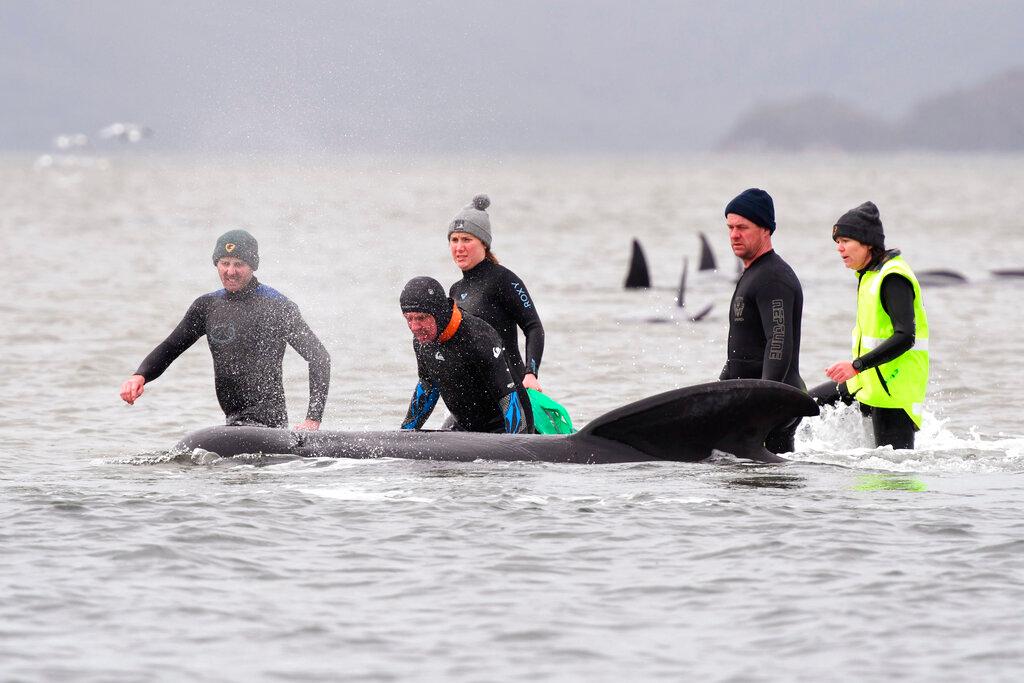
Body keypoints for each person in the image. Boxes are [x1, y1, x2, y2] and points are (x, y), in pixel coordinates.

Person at [119, 229, 331, 430]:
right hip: (233, 423)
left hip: (269, 426)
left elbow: (319, 357)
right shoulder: (208, 306)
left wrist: (313, 419)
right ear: (216, 264)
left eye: (239, 264)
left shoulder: (277, 306)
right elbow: (172, 346)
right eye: (224, 263)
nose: (230, 271)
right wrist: (140, 376)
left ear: (253, 266)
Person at [812, 201, 929, 449]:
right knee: (802, 405)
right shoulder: (869, 275)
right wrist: (858, 370)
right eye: (837, 242)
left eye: (845, 241)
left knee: (890, 478)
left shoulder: (893, 277)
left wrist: (856, 365)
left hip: (893, 394)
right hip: (866, 382)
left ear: (867, 243)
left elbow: (906, 336)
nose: (839, 248)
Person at [720, 188, 806, 453]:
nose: (734, 234)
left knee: (768, 488)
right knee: (754, 485)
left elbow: (778, 340)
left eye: (743, 227)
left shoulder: (773, 279)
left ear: (766, 230)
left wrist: (764, 402)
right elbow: (743, 346)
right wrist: (721, 388)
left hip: (772, 405)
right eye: (730, 227)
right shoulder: (754, 273)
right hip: (755, 401)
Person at [399, 276, 532, 434]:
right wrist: (404, 434)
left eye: (421, 318)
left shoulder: (479, 337)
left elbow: (508, 398)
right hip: (463, 429)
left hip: (502, 429)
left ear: (439, 313)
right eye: (409, 318)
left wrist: (517, 445)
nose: (414, 327)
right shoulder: (422, 341)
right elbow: (428, 386)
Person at [446, 194, 545, 392]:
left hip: (511, 389)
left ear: (484, 243)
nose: (459, 247)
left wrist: (531, 374)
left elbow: (533, 327)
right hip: (477, 394)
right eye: (454, 240)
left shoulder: (503, 279)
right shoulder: (455, 290)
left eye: (466, 239)